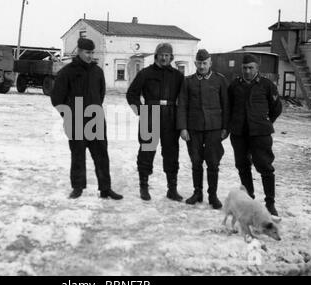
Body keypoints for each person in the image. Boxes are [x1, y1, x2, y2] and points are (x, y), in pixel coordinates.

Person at [51, 38, 123, 200]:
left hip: (95, 119)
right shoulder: (67, 72)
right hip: (75, 120)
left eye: (92, 52)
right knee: (78, 155)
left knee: (102, 155)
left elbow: (101, 93)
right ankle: (77, 188)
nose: (90, 56)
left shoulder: (97, 72)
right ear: (79, 51)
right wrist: (68, 115)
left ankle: (106, 189)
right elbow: (56, 98)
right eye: (87, 52)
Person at [126, 43, 184, 201]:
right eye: (161, 54)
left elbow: (185, 98)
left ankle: (172, 189)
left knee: (171, 153)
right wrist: (141, 111)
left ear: (171, 57)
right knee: (146, 151)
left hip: (170, 118)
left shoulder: (177, 76)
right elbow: (132, 94)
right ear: (156, 55)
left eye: (167, 55)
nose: (164, 57)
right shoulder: (145, 73)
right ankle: (143, 187)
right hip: (150, 115)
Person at [228, 54, 282, 216]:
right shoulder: (234, 86)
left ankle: (270, 203)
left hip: (260, 134)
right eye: (244, 68)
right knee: (243, 166)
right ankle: (249, 199)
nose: (247, 71)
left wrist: (264, 123)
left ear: (257, 69)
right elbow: (228, 107)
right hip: (239, 134)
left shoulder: (267, 85)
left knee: (265, 167)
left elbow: (276, 108)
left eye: (251, 68)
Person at [177, 49, 229, 209]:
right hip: (193, 128)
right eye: (199, 63)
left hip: (214, 128)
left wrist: (225, 127)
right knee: (196, 162)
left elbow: (226, 105)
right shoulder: (188, 81)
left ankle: (213, 196)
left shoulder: (220, 80)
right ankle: (197, 193)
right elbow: (182, 105)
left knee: (213, 163)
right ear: (195, 64)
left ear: (210, 63)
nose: (202, 66)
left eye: (205, 63)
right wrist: (183, 128)